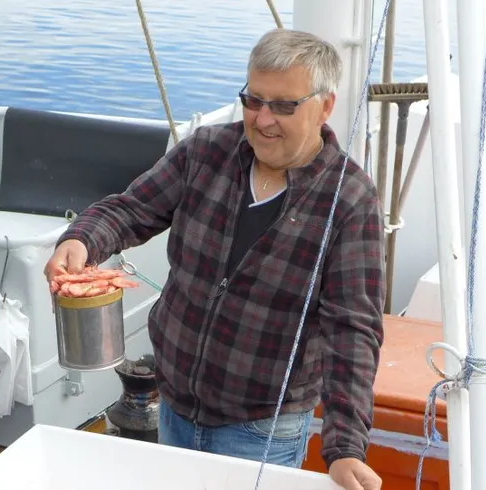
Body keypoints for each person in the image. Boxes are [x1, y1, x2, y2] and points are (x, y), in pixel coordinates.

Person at [44, 29, 384, 490]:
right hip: (176, 407)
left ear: (325, 105)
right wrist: (82, 240)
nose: (262, 119)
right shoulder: (205, 151)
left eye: (283, 105)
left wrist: (345, 448)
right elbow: (130, 209)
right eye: (253, 100)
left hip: (262, 429)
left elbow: (353, 330)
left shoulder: (350, 198)